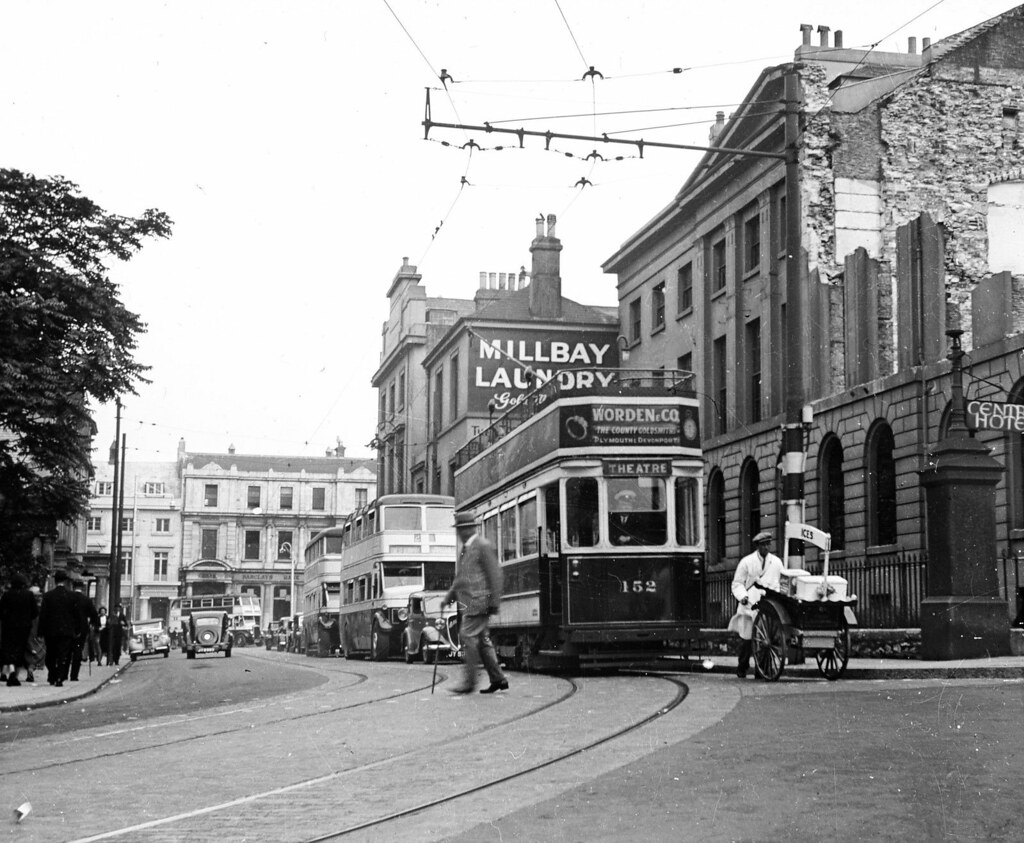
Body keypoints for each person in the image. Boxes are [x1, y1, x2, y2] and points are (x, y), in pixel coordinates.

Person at [444, 511, 508, 694]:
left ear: (468, 529)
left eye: (461, 529)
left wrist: (494, 602)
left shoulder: (482, 546)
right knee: (482, 641)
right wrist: (450, 596)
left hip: (480, 602)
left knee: (467, 636)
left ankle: (469, 683)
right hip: (471, 603)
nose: (458, 533)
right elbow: (461, 578)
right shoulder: (466, 548)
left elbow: (495, 575)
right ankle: (498, 679)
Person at [728, 530, 784, 679]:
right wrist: (743, 597)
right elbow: (737, 584)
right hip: (750, 604)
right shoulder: (747, 562)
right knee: (747, 638)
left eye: (768, 544)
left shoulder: (777, 562)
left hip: (768, 605)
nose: (766, 547)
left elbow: (781, 583)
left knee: (765, 639)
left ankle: (762, 669)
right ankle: (743, 666)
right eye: (763, 545)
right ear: (758, 546)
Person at [38, 570, 81, 687]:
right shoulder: (72, 596)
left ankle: (53, 673)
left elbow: (43, 615)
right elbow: (76, 615)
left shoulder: (48, 596)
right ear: (66, 581)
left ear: (55, 580)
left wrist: (40, 631)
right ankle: (59, 677)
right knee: (63, 655)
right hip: (67, 631)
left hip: (51, 631)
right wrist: (77, 629)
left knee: (50, 655)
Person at [0, 573, 39, 686]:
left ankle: (11, 673)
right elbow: (35, 612)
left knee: (9, 650)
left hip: (9, 627)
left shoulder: (7, 595)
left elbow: (1, 611)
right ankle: (14, 676)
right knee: (20, 651)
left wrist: (7, 619)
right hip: (24, 628)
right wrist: (26, 619)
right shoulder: (29, 595)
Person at [69, 577, 100, 681]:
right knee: (78, 650)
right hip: (82, 628)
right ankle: (74, 676)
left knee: (67, 650)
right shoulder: (86, 599)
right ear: (82, 588)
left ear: (73, 586)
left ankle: (63, 674)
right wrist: (93, 623)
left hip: (68, 627)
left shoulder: (68, 597)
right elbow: (94, 614)